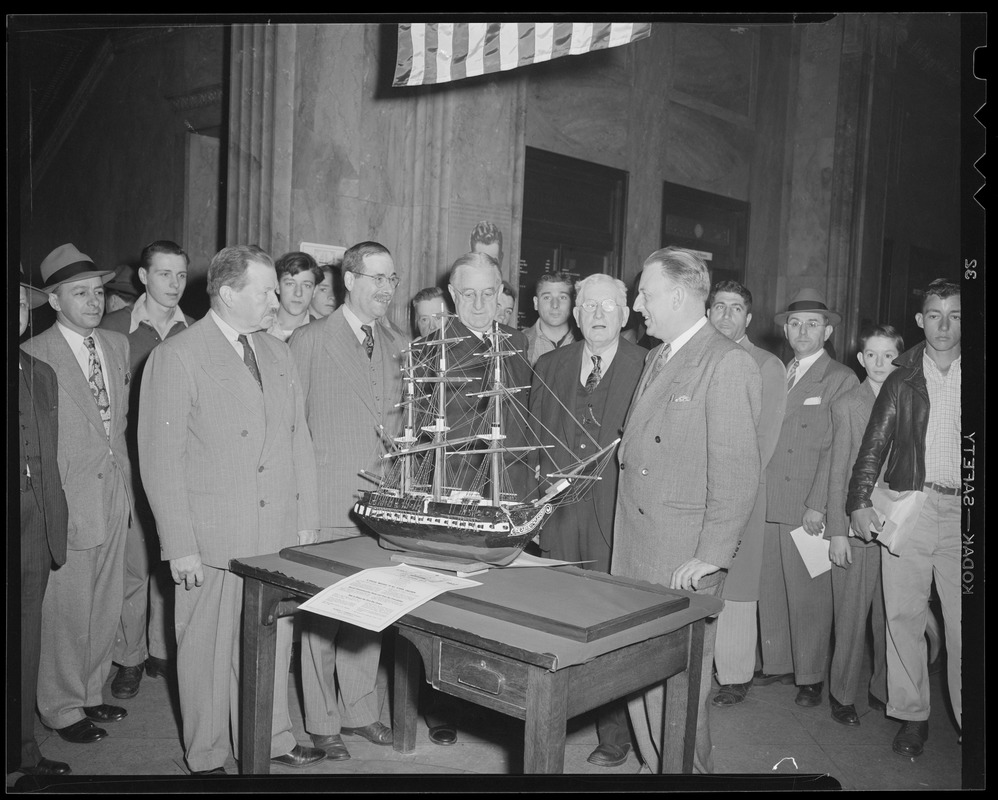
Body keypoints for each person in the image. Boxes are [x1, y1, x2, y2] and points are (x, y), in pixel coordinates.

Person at [138, 245, 325, 774]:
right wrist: (180, 546)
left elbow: (298, 440)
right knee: (206, 654)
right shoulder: (177, 356)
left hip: (274, 534)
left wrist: (306, 518)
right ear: (226, 294)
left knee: (273, 643)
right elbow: (160, 461)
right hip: (212, 540)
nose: (277, 299)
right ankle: (207, 753)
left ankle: (270, 736)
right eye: (265, 290)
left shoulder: (276, 352)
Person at [611, 247, 761, 773]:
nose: (636, 305)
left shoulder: (726, 361)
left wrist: (712, 556)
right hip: (637, 545)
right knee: (640, 682)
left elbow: (738, 472)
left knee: (679, 694)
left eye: (645, 294)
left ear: (677, 296)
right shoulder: (660, 353)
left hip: (679, 556)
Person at [288, 241, 406, 760]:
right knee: (322, 617)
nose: (386, 289)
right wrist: (303, 512)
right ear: (349, 280)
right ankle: (322, 722)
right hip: (328, 501)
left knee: (370, 612)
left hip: (382, 506)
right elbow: (292, 431)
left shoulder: (400, 344)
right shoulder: (309, 340)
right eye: (376, 278)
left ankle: (360, 711)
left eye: (392, 279)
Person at [528, 273, 645, 768]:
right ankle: (548, 720)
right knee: (555, 621)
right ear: (575, 316)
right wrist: (530, 515)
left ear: (625, 315)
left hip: (615, 518)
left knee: (611, 625)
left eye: (608, 306)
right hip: (557, 517)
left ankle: (614, 735)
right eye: (588, 306)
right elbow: (529, 440)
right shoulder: (549, 364)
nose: (597, 314)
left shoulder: (648, 366)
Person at [21, 243, 134, 746]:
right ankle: (62, 707)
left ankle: (91, 691)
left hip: (115, 494)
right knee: (66, 610)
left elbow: (120, 427)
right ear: (53, 299)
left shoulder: (116, 345)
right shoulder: (33, 353)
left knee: (104, 602)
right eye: (79, 292)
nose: (93, 300)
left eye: (98, 291)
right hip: (68, 499)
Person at [848, 279, 961, 758]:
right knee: (903, 616)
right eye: (934, 314)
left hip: (964, 516)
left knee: (963, 626)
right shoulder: (902, 376)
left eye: (955, 315)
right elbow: (874, 445)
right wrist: (858, 501)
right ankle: (913, 717)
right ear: (920, 320)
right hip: (911, 507)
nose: (943, 324)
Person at [100, 240, 194, 700]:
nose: (173, 285)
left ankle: (161, 651)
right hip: (131, 466)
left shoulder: (193, 332)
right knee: (134, 568)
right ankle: (129, 657)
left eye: (180, 275)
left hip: (181, 469)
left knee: (172, 560)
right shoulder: (114, 329)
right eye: (163, 274)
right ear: (143, 276)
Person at [757, 288, 859, 708]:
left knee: (810, 595)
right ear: (785, 329)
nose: (802, 331)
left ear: (829, 330)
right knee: (774, 588)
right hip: (769, 497)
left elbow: (840, 449)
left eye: (812, 324)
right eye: (795, 323)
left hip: (806, 503)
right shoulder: (779, 371)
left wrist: (819, 504)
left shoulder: (840, 378)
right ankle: (781, 664)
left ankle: (812, 676)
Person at [705, 281, 787, 708]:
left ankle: (735, 675)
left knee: (736, 583)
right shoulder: (699, 356)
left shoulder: (766, 365)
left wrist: (731, 487)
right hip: (697, 489)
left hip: (742, 490)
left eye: (735, 308)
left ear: (748, 318)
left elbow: (765, 438)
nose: (724, 315)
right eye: (718, 306)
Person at [823, 325, 902, 726]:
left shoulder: (911, 400)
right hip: (857, 526)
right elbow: (838, 471)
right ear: (860, 358)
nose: (880, 363)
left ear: (900, 358)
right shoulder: (848, 405)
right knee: (851, 615)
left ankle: (884, 691)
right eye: (871, 355)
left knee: (890, 616)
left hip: (900, 523)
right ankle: (842, 695)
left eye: (888, 355)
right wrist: (837, 530)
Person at [12, 277, 71, 776]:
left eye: (16, 307)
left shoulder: (41, 373)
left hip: (36, 526)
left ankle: (22, 751)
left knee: (27, 642)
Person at [521, 272, 576, 365]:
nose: (555, 305)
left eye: (562, 297)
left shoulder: (587, 342)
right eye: (547, 297)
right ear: (536, 303)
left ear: (572, 303)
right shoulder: (517, 344)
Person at [268, 251, 324, 341]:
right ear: (277, 286)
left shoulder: (323, 336)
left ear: (314, 290)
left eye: (307, 285)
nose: (298, 293)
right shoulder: (257, 330)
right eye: (290, 284)